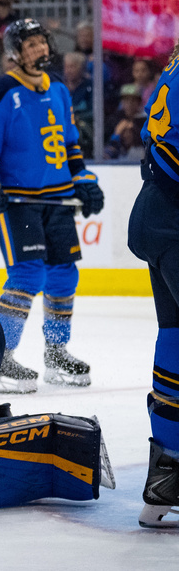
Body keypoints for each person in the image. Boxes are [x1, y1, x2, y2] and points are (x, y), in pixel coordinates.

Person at [0, 18, 104, 394]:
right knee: (27, 275)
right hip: (17, 201)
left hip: (57, 199)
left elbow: (71, 145)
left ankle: (56, 352)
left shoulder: (58, 88)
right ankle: (0, 357)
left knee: (63, 275)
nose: (39, 50)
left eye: (42, 43)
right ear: (14, 53)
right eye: (30, 45)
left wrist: (85, 181)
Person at [130, 40, 179, 528]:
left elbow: (156, 144)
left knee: (176, 341)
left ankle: (165, 480)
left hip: (157, 217)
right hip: (171, 219)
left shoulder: (176, 63)